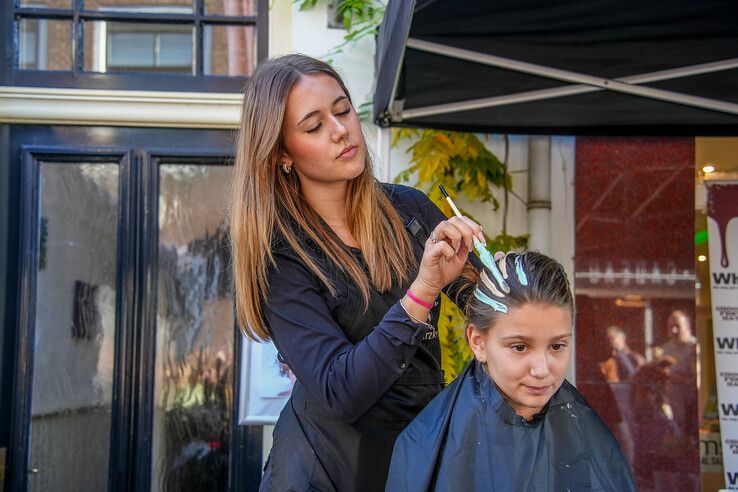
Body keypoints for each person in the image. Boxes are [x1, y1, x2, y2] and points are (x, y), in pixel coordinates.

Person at [229, 54, 484, 491]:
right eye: (313, 126)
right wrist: (422, 291)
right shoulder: (282, 258)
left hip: (414, 458)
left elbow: (488, 310)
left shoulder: (410, 211)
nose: (340, 130)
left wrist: (505, 291)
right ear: (281, 155)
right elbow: (339, 390)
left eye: (343, 109)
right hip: (323, 471)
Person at [386, 252, 637, 491]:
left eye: (557, 345)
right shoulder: (422, 446)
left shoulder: (586, 433)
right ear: (478, 342)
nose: (542, 370)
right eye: (520, 347)